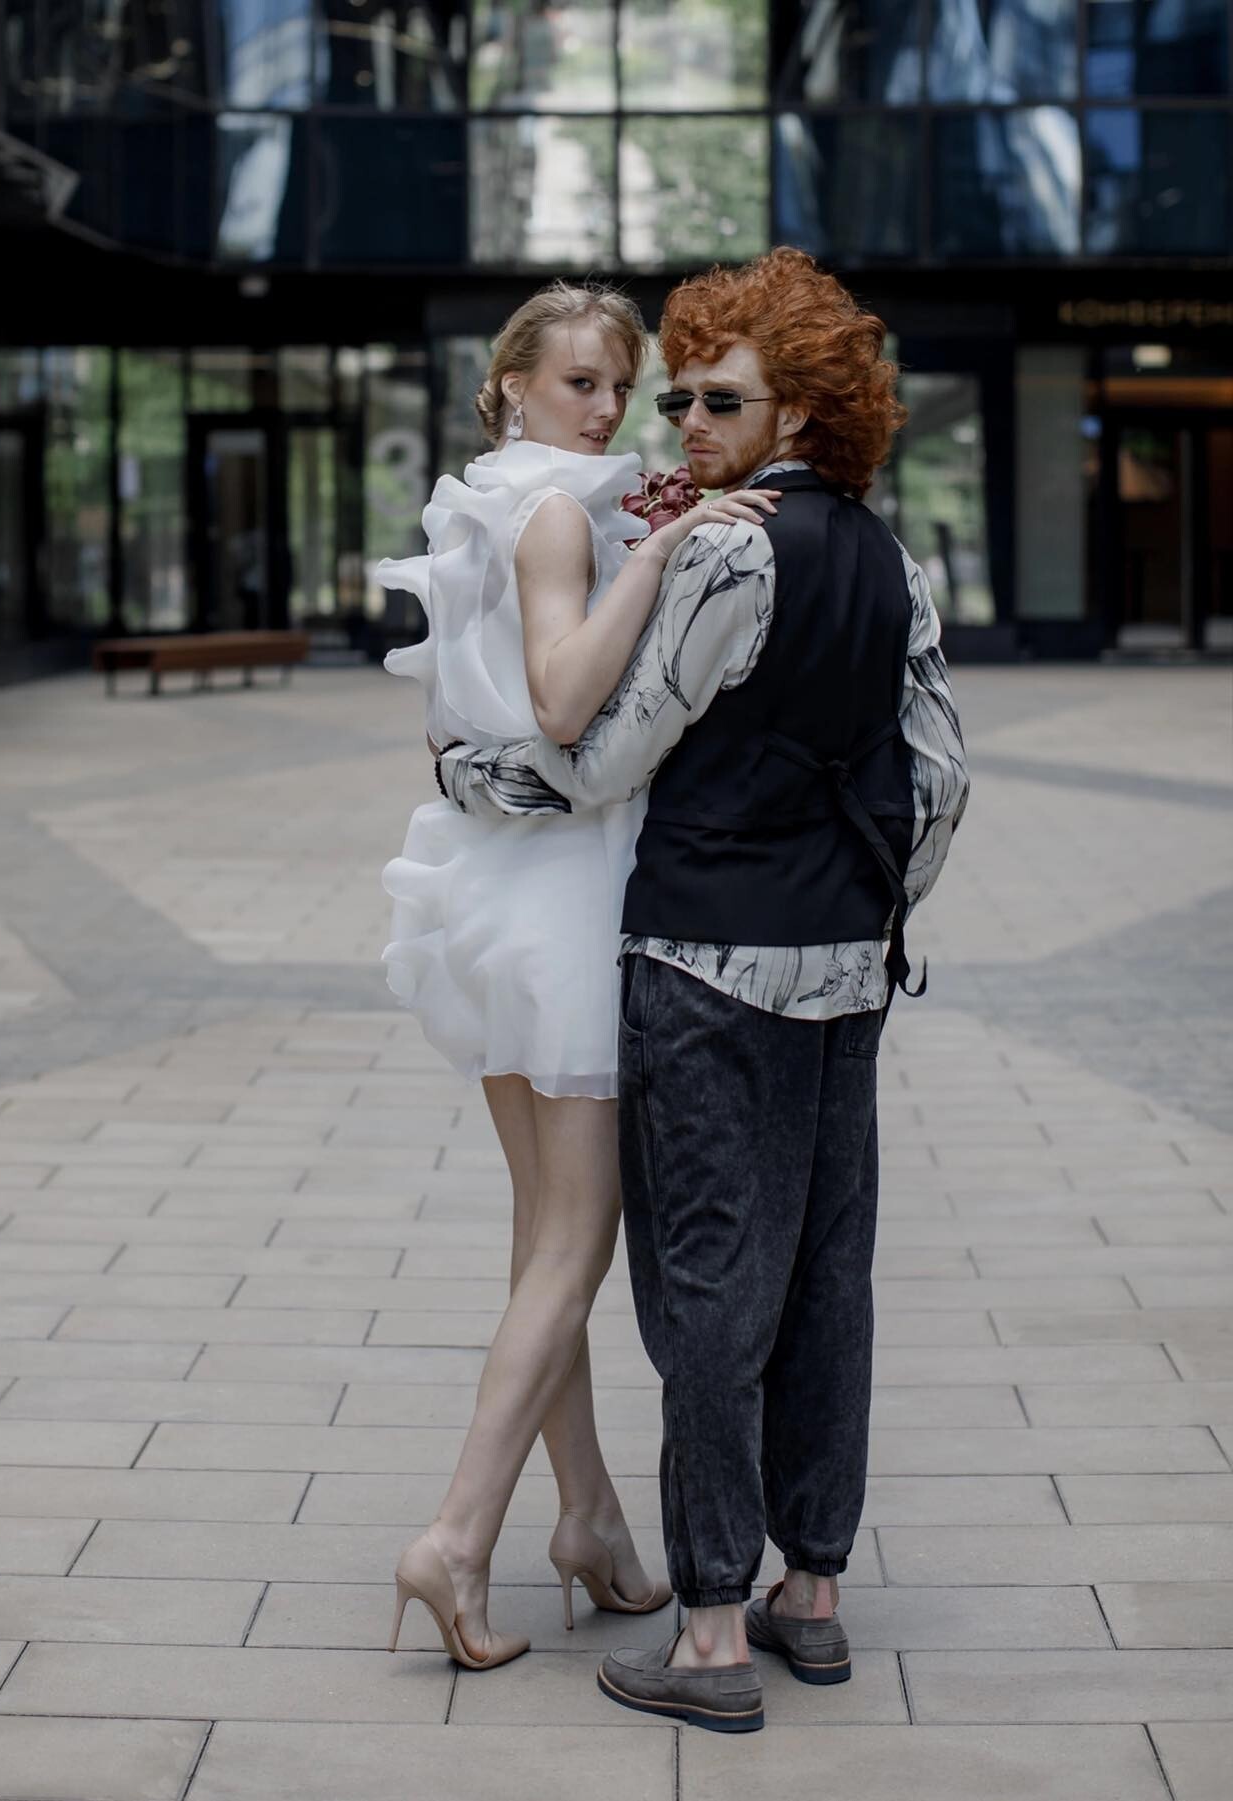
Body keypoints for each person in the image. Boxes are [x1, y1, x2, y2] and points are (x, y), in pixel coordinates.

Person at [435, 248, 971, 1728]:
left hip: (703, 964)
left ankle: (716, 1634)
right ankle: (816, 1593)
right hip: (845, 973)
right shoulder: (895, 559)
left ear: (800, 411)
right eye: (675, 397)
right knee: (830, 1284)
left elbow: (604, 758)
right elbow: (942, 779)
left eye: (715, 399)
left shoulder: (733, 553)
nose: (682, 422)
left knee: (710, 1297)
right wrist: (865, 910)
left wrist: (469, 772)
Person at [379, 281, 779, 1670]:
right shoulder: (556, 514)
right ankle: (456, 1536)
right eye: (579, 383)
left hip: (486, 887)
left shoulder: (479, 503)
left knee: (540, 1231)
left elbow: (458, 714)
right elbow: (560, 705)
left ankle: (593, 1517)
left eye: (620, 382)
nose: (608, 408)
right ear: (511, 386)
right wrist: (662, 556)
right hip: (559, 898)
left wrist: (641, 533)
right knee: (574, 1244)